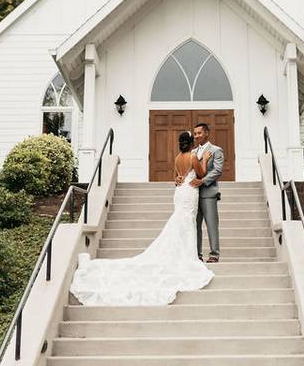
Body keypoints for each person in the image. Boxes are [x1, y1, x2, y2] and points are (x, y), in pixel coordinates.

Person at [69, 131, 214, 306]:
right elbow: (201, 173)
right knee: (187, 223)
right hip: (189, 192)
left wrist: (179, 178)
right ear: (191, 142)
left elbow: (176, 177)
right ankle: (188, 256)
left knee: (181, 221)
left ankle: (185, 252)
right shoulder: (193, 158)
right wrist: (204, 159)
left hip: (180, 191)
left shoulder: (177, 158)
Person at [186, 123, 224, 263]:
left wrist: (203, 181)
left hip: (208, 193)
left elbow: (217, 170)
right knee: (195, 225)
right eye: (194, 134)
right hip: (193, 194)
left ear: (207, 133)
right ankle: (197, 255)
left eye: (199, 133)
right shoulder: (193, 152)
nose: (196, 136)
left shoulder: (216, 150)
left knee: (211, 224)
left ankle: (214, 254)